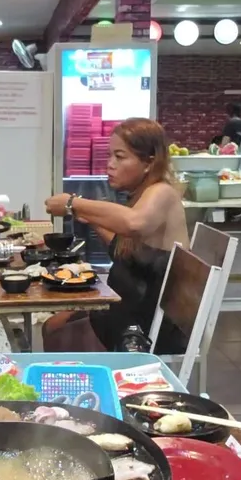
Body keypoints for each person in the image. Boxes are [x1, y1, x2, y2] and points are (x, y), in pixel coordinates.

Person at [42, 118, 189, 353]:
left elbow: (134, 223)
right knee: (53, 324)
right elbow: (128, 254)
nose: (110, 165)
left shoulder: (162, 192)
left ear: (149, 162)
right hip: (128, 310)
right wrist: (91, 218)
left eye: (120, 157)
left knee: (56, 331)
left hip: (147, 326)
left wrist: (73, 203)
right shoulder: (141, 194)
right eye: (109, 156)